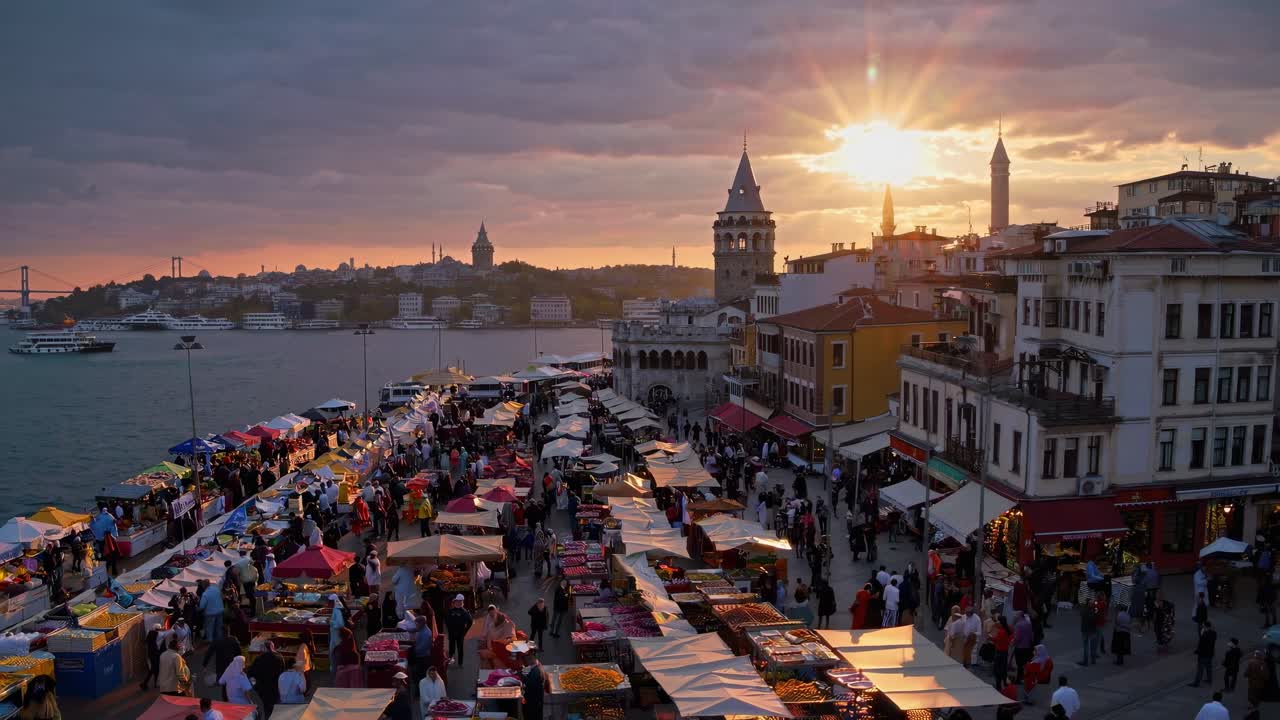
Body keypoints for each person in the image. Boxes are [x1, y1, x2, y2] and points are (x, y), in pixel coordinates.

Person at [249, 640, 286, 718]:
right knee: (275, 706)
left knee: (266, 706)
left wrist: (254, 684)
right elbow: (283, 672)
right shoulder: (279, 657)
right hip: (275, 686)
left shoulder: (259, 658)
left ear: (265, 648)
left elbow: (251, 673)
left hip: (262, 687)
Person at [521, 652, 549, 720]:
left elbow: (529, 687)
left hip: (532, 704)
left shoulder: (535, 672)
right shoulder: (538, 667)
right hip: (536, 703)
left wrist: (522, 681)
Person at [446, 594, 473, 665]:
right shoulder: (450, 611)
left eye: (459, 601)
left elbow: (470, 621)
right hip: (452, 633)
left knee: (460, 648)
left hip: (460, 633)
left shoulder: (465, 612)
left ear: (462, 602)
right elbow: (447, 621)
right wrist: (449, 631)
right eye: (457, 601)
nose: (458, 603)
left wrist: (465, 631)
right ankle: (451, 660)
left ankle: (460, 663)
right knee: (451, 647)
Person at [1192, 619, 1217, 687]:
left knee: (1200, 668)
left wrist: (1202, 634)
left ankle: (1196, 682)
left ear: (1206, 627)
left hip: (1203, 654)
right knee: (1209, 667)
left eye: (1203, 626)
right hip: (1210, 653)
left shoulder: (1205, 634)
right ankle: (1209, 679)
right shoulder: (1214, 633)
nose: (1202, 627)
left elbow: (1202, 644)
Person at [990, 615, 1012, 690]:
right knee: (1003, 668)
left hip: (1000, 651)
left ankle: (998, 685)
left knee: (998, 669)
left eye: (998, 621)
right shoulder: (1007, 629)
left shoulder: (1001, 632)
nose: (997, 622)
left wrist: (990, 638)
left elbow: (997, 640)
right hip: (1005, 651)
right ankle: (1005, 683)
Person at [141, 623, 164, 691]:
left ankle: (149, 683)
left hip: (151, 655)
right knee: (154, 669)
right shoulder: (156, 634)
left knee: (154, 669)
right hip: (155, 654)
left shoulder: (150, 634)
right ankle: (147, 683)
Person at [1077, 599, 1098, 667]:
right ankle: (1093, 660)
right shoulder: (1095, 610)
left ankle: (1085, 661)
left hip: (1085, 630)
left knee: (1086, 646)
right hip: (1093, 630)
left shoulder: (1084, 610)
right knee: (1093, 646)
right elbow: (1097, 616)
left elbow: (1081, 614)